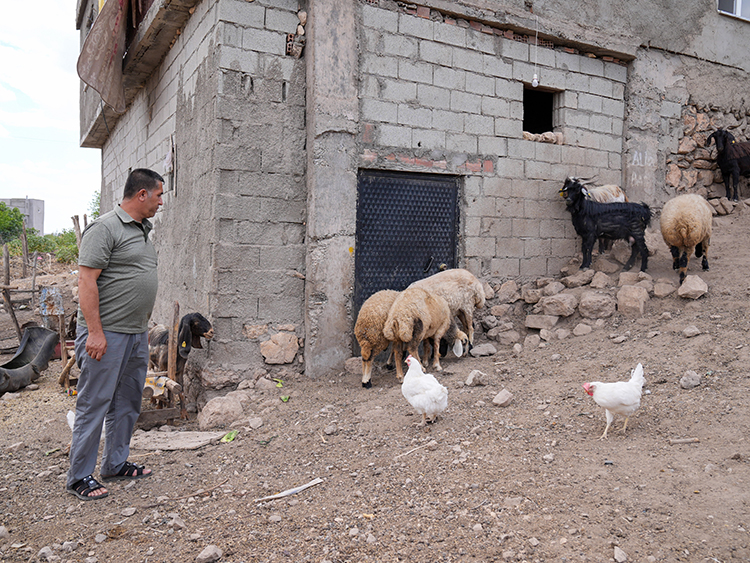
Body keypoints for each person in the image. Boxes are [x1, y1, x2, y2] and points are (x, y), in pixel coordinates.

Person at [66, 168, 164, 500]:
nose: (161, 201)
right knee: (95, 402)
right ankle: (79, 476)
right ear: (141, 195)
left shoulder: (141, 231)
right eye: (159, 195)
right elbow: (86, 281)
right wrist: (94, 332)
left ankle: (115, 463)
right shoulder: (105, 228)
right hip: (105, 334)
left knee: (128, 401)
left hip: (135, 334)